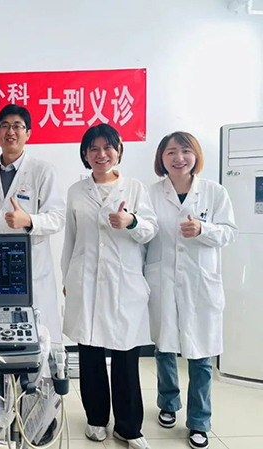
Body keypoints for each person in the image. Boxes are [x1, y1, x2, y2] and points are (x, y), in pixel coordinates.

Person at [61, 124, 157, 449]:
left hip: (123, 282)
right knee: (90, 351)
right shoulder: (76, 191)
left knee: (125, 355)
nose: (101, 154)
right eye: (94, 148)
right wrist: (67, 278)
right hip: (85, 278)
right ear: (85, 154)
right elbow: (70, 239)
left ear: (118, 150)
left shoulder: (135, 188)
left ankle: (129, 427)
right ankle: (96, 419)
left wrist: (131, 222)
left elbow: (151, 230)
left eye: (107, 147)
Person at [146, 132, 238, 449]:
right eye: (171, 152)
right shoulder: (151, 193)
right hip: (162, 280)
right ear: (161, 158)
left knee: (200, 354)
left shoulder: (214, 192)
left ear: (196, 155)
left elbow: (229, 232)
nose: (178, 158)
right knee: (164, 347)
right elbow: (144, 235)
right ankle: (168, 403)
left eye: (185, 151)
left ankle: (199, 421)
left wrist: (203, 229)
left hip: (200, 284)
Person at [0, 104, 65, 344]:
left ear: (28, 133)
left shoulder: (43, 171)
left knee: (39, 337)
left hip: (33, 268)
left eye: (18, 126)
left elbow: (57, 217)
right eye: (4, 126)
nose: (11, 132)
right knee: (0, 337)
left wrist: (29, 221)